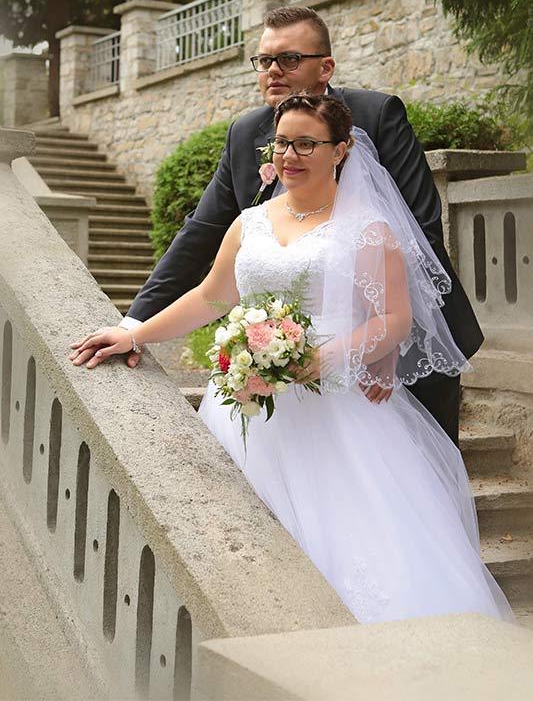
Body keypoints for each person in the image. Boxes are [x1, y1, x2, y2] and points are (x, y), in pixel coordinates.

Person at [70, 94, 513, 625]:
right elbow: (211, 297)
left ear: (340, 151)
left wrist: (322, 359)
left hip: (336, 407)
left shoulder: (368, 229)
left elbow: (393, 320)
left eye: (306, 144)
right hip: (244, 406)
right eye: (282, 143)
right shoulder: (249, 222)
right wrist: (134, 334)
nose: (289, 155)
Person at [76, 5, 483, 445]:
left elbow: (420, 230)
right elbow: (199, 238)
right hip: (275, 371)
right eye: (264, 60)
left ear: (325, 67)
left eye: (289, 59)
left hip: (407, 343)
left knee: (415, 469)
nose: (273, 70)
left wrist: (383, 343)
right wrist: (133, 327)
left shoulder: (378, 114)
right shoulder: (243, 134)